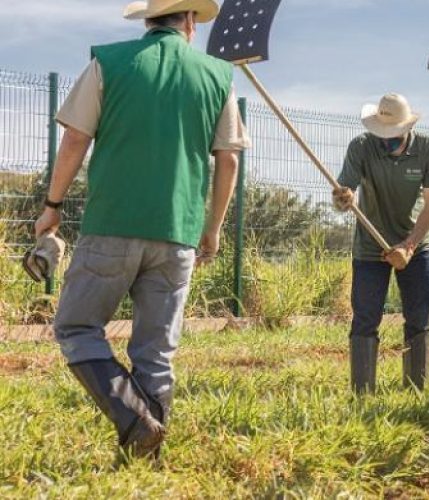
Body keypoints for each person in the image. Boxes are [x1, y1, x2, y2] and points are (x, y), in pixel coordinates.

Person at [33, 0, 249, 458]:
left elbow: (75, 138)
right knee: (156, 351)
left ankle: (134, 420)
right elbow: (228, 157)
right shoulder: (217, 76)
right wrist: (212, 228)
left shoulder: (108, 63)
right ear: (189, 21)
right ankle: (147, 455)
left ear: (149, 21)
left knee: (76, 326)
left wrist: (52, 206)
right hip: (179, 232)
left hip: (113, 223)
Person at [332, 93, 429, 395]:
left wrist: (408, 247)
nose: (386, 141)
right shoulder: (361, 146)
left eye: (392, 136)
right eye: (380, 135)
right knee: (366, 317)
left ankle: (415, 390)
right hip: (370, 247)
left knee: (419, 317)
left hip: (417, 246)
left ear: (407, 128)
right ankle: (362, 393)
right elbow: (345, 196)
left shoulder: (428, 150)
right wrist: (342, 199)